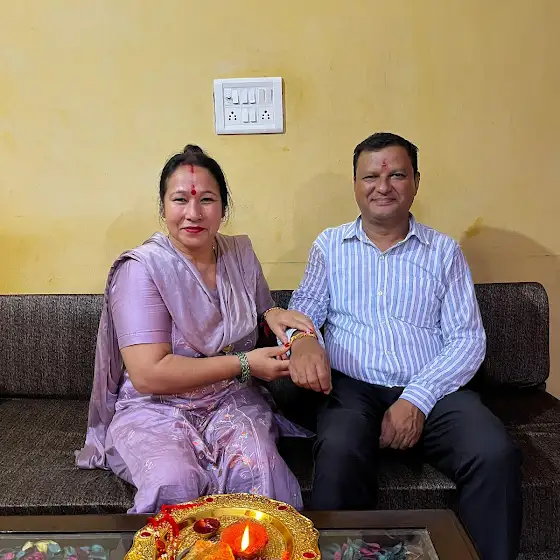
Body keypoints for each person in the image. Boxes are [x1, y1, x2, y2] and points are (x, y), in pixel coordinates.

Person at [285, 133, 523, 560]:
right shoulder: (329, 246)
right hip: (352, 388)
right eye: (371, 176)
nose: (383, 186)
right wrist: (301, 341)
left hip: (434, 388)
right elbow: (302, 312)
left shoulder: (444, 252)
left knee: (494, 454)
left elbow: (467, 338)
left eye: (397, 175)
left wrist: (416, 398)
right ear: (355, 184)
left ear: (415, 182)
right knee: (338, 451)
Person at [76, 144, 314, 513]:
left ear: (224, 208)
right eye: (180, 200)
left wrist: (271, 312)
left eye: (206, 199)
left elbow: (259, 308)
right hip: (155, 407)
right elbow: (149, 374)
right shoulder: (142, 269)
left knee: (259, 472)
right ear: (163, 207)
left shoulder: (239, 255)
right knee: (174, 481)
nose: (193, 213)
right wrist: (245, 364)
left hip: (230, 400)